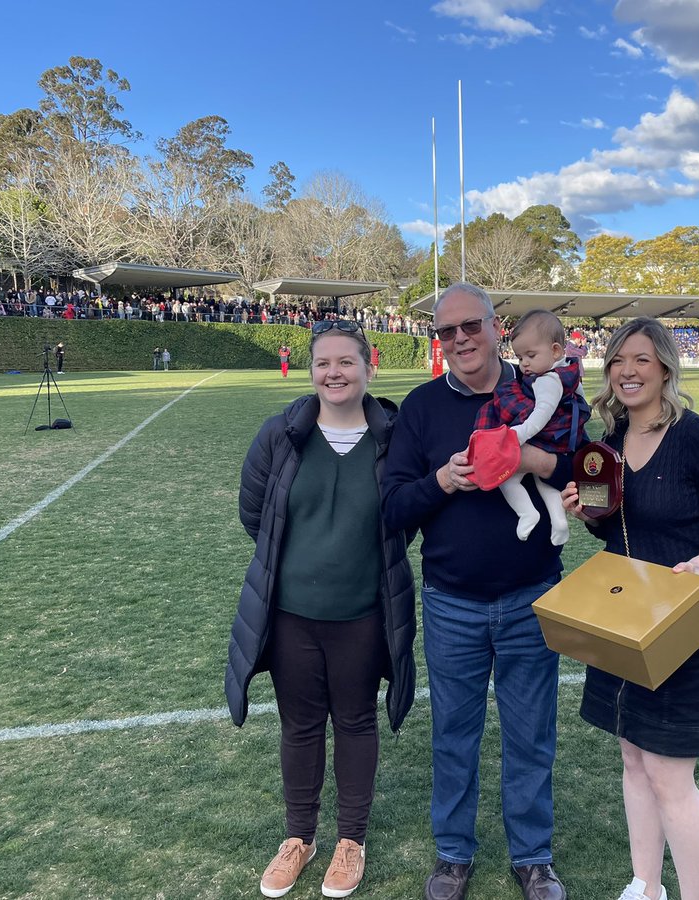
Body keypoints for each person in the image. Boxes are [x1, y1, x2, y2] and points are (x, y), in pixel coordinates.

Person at [561, 317, 699, 900]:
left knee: (671, 778)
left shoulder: (697, 437)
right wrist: (589, 514)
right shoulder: (605, 444)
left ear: (666, 368)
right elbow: (618, 533)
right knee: (633, 759)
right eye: (617, 360)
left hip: (685, 624)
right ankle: (645, 886)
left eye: (641, 360)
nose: (627, 371)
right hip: (623, 621)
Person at [382, 282, 573, 900]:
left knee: (531, 734)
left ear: (496, 328)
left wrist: (535, 462)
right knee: (454, 735)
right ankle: (453, 855)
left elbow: (585, 464)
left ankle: (533, 857)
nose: (461, 338)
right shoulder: (421, 407)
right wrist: (442, 480)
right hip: (452, 604)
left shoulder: (540, 389)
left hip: (532, 596)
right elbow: (392, 506)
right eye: (448, 331)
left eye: (471, 326)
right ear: (439, 340)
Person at [226, 319, 416, 899]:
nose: (334, 373)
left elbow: (405, 517)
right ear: (311, 371)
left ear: (368, 366)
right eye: (323, 363)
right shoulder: (280, 434)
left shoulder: (394, 437)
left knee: (356, 721)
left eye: (346, 362)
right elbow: (255, 514)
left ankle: (351, 840)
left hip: (362, 615)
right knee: (301, 725)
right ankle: (299, 838)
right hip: (291, 616)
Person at [472, 309, 589, 545]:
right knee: (543, 479)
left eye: (531, 355)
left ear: (555, 350)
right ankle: (558, 520)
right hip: (559, 438)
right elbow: (582, 400)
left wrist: (517, 434)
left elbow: (540, 415)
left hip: (543, 436)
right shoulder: (567, 372)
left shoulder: (547, 380)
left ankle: (527, 513)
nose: (524, 363)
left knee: (507, 479)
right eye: (519, 357)